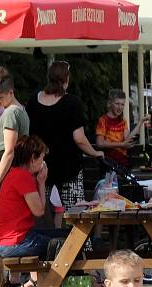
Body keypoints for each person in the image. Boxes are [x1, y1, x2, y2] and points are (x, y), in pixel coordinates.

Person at [0, 135, 66, 287]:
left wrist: (39, 182)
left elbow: (38, 209)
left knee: (65, 235)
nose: (42, 163)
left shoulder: (13, 173)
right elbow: (39, 211)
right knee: (66, 243)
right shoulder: (23, 177)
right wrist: (41, 182)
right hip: (15, 244)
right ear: (33, 158)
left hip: (7, 242)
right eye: (41, 159)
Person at [26, 61, 105, 210]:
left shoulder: (33, 101)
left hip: (41, 165)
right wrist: (95, 152)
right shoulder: (72, 102)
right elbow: (79, 138)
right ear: (66, 79)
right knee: (75, 214)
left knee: (42, 212)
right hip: (68, 168)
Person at [0, 66, 31, 204]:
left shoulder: (11, 113)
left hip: (7, 170)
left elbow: (9, 151)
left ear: (10, 92)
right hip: (13, 169)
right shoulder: (21, 110)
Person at [95, 89, 150, 169]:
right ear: (110, 104)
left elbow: (128, 140)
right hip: (108, 163)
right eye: (117, 104)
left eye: (122, 104)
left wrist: (141, 122)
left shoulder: (123, 121)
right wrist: (121, 144)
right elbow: (99, 143)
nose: (120, 107)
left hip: (122, 163)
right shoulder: (103, 120)